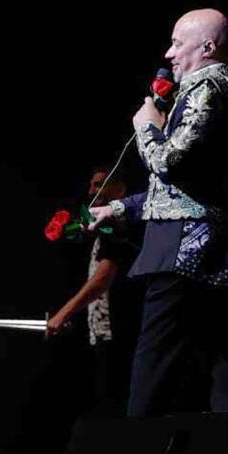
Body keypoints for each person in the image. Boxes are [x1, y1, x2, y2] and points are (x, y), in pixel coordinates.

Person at [88, 8, 228, 417]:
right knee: (227, 375)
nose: (168, 53)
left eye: (177, 43)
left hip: (183, 253)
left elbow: (170, 163)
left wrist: (147, 125)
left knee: (153, 369)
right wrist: (116, 207)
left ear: (207, 47)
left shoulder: (206, 89)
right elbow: (190, 188)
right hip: (224, 253)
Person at [47, 167, 138, 415]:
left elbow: (102, 279)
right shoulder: (103, 226)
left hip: (121, 332)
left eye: (99, 184)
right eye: (91, 185)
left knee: (116, 406)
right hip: (102, 332)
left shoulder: (121, 224)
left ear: (120, 189)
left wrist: (63, 313)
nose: (92, 191)